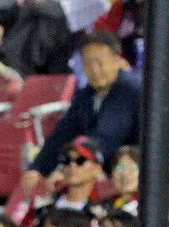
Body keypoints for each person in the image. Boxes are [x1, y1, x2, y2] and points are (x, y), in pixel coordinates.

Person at [22, 31, 139, 193]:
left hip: (133, 170)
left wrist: (70, 168)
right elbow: (63, 132)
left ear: (116, 60)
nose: (95, 70)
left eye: (100, 62)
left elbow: (106, 137)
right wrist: (38, 168)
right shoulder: (87, 94)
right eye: (88, 64)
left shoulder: (129, 89)